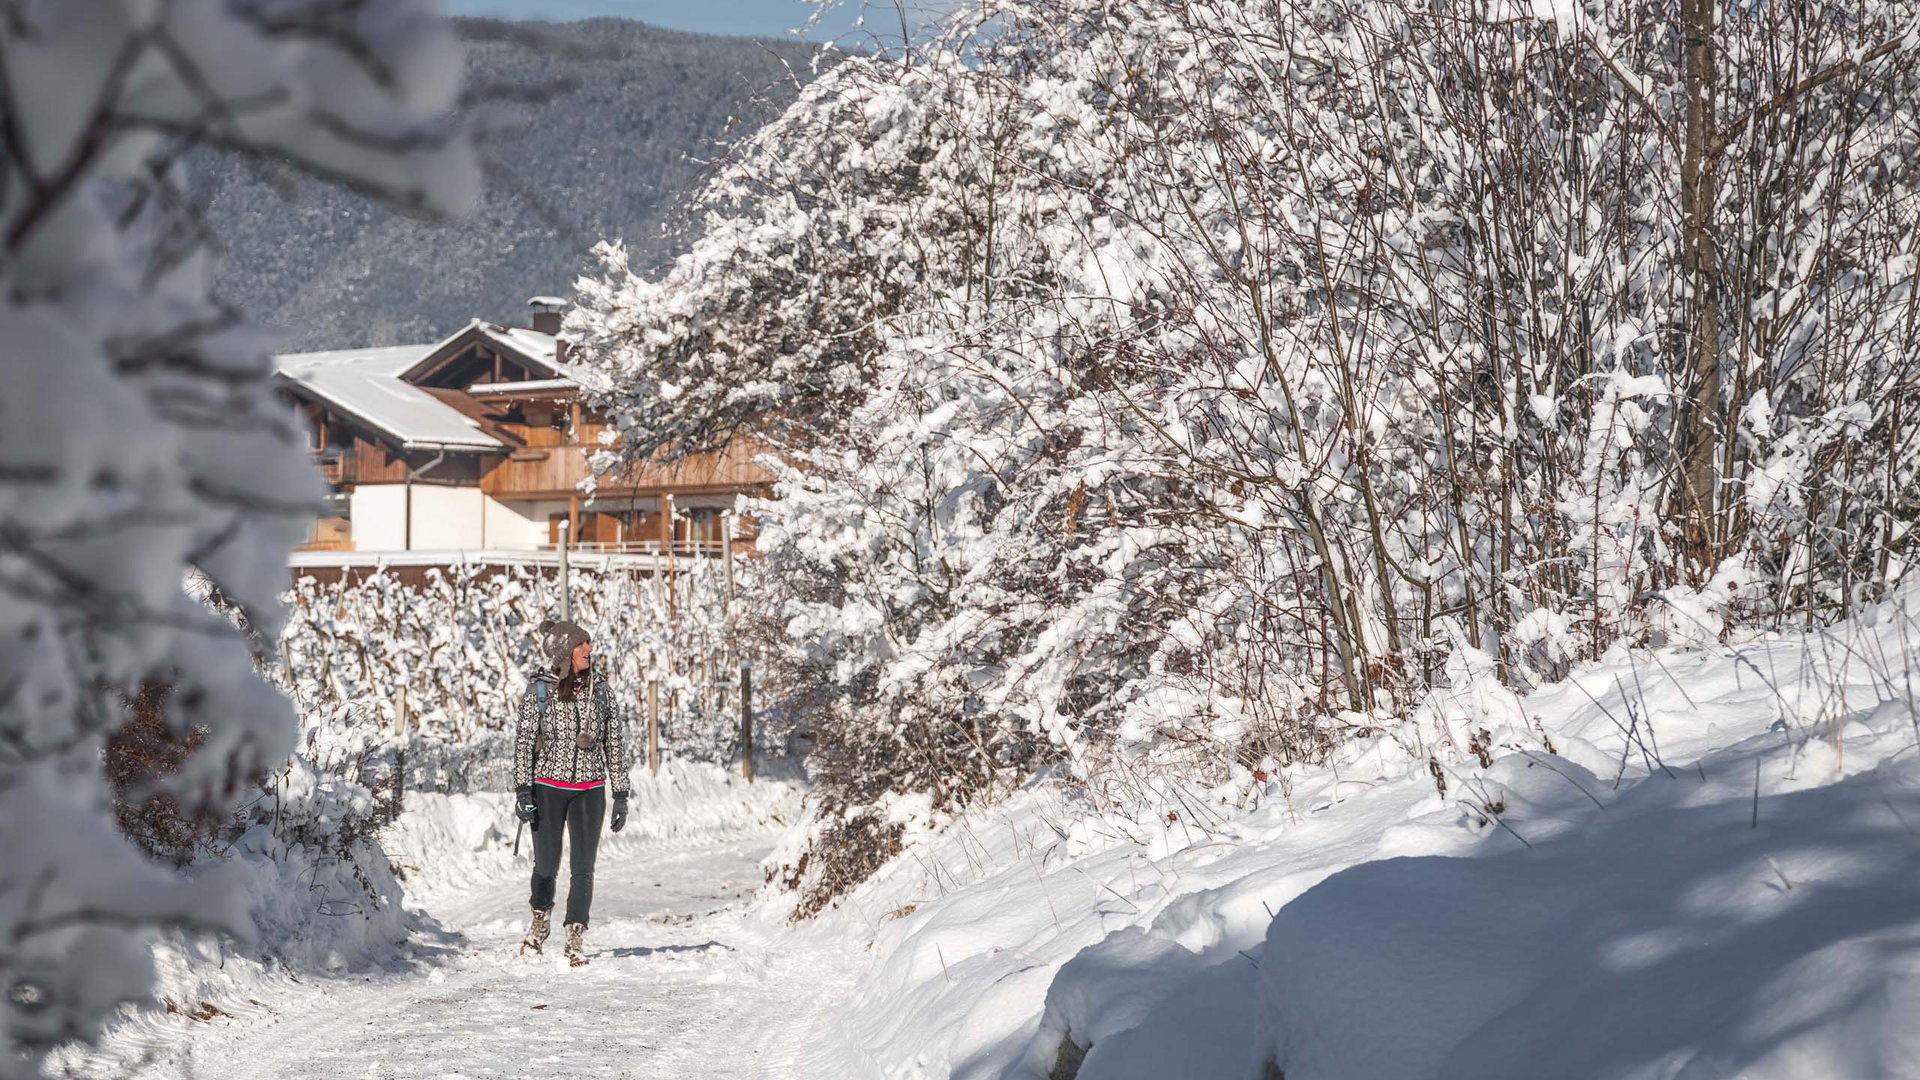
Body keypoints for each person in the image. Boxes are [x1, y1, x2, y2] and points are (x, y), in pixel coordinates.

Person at [513, 618, 630, 966]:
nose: (589, 650)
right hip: (547, 788)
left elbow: (615, 741)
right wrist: (523, 790)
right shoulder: (539, 691)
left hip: (590, 789)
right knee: (545, 865)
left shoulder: (601, 690)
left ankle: (575, 935)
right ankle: (540, 920)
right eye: (582, 646)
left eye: (588, 644)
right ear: (565, 652)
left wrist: (621, 792)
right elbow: (522, 743)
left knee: (583, 868)